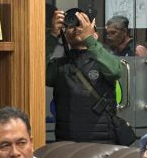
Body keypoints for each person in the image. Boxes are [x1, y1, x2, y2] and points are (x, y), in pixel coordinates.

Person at [46, 8, 123, 143]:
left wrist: (89, 40)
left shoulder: (102, 58)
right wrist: (53, 35)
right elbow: (38, 75)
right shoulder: (59, 65)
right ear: (65, 32)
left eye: (81, 24)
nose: (76, 28)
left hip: (102, 142)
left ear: (94, 32)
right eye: (71, 25)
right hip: (67, 142)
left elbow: (115, 71)